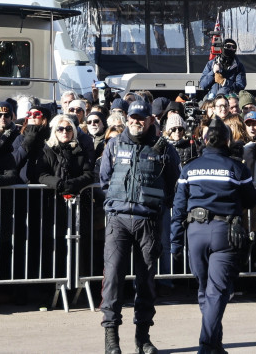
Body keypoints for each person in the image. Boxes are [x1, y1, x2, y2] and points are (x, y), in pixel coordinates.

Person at [96, 100, 180, 354]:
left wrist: (155, 206)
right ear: (127, 118)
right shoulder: (114, 144)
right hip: (118, 220)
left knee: (146, 282)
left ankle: (143, 338)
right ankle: (111, 339)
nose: (136, 121)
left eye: (142, 118)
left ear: (151, 120)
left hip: (149, 222)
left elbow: (173, 184)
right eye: (133, 117)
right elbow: (104, 181)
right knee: (113, 279)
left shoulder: (164, 149)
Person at [171, 116, 256, 354]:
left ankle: (214, 344)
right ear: (228, 141)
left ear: (205, 140)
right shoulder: (236, 167)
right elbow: (252, 199)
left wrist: (175, 242)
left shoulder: (190, 168)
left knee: (205, 291)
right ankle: (207, 345)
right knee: (216, 292)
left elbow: (178, 208)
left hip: (195, 233)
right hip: (224, 233)